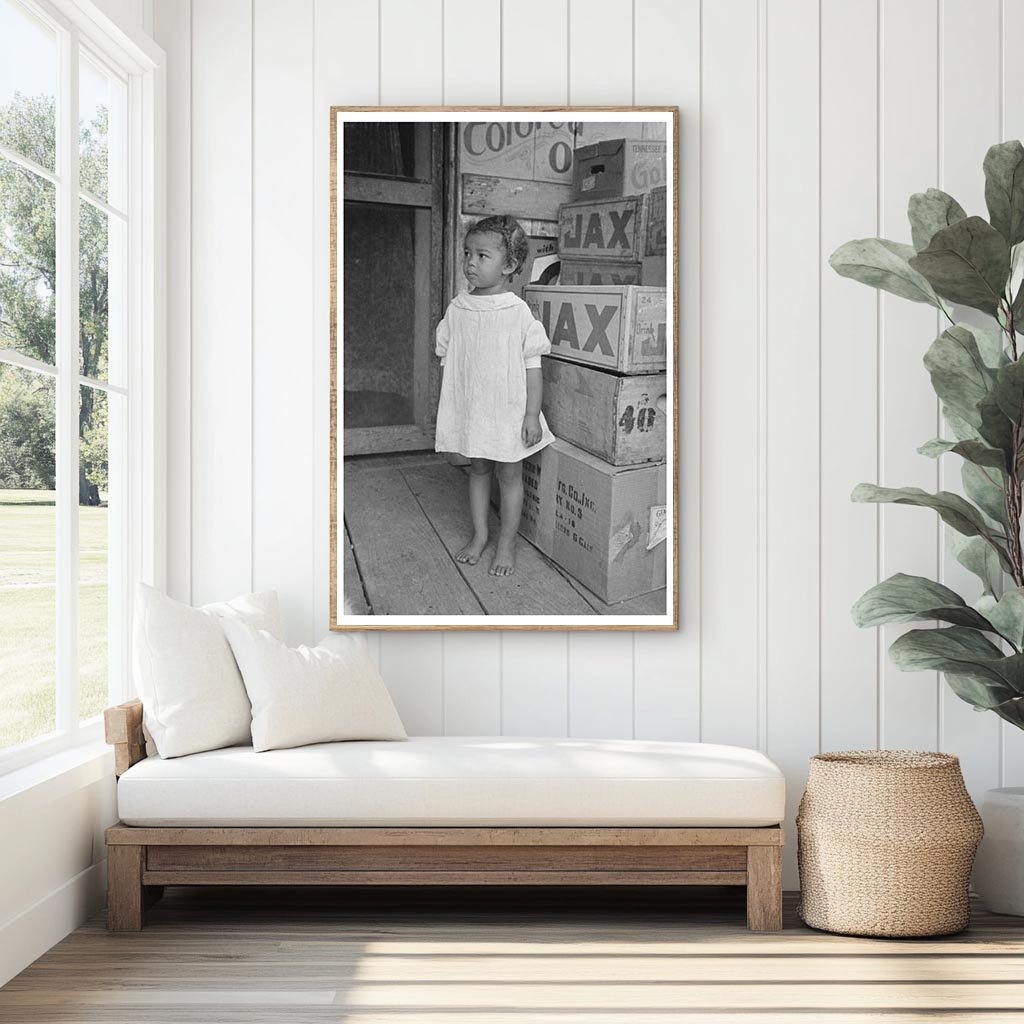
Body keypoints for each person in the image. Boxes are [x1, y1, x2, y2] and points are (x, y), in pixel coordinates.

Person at [434, 214, 556, 577]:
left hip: (509, 412)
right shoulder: (457, 309)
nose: (471, 262)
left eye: (482, 255)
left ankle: (506, 542)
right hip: (475, 411)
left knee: (509, 476)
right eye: (467, 253)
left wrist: (532, 415)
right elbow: (449, 362)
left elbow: (533, 368)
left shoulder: (517, 313)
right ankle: (481, 534)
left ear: (510, 265)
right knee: (478, 470)